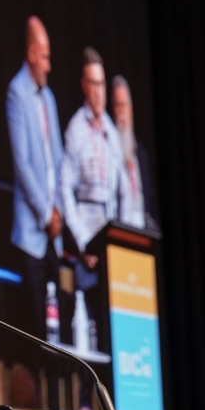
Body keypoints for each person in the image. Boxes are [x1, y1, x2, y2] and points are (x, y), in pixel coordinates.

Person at [6, 15, 64, 340]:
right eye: (44, 57)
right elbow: (22, 164)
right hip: (32, 233)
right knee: (37, 331)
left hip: (54, 233)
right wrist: (45, 213)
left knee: (60, 328)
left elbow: (58, 160)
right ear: (31, 54)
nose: (48, 65)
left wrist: (59, 211)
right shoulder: (17, 93)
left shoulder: (49, 98)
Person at [59, 47, 131, 265]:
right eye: (93, 84)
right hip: (85, 242)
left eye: (101, 84)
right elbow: (65, 188)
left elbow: (124, 191)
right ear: (84, 86)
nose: (98, 92)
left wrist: (123, 238)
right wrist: (83, 241)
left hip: (112, 242)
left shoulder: (112, 132)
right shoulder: (76, 129)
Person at [110, 74, 160, 233]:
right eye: (117, 105)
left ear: (131, 110)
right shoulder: (108, 151)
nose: (121, 112)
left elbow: (151, 203)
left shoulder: (142, 156)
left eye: (124, 105)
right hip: (120, 229)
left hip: (143, 231)